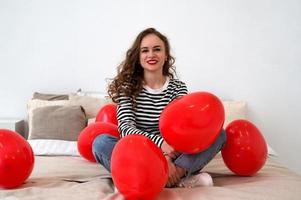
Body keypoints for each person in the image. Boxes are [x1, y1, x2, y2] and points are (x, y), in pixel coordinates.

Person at [92, 27, 226, 188]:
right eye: (145, 50)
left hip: (175, 154)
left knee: (219, 134)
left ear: (166, 55)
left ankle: (169, 174)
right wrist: (161, 145)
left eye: (157, 49)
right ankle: (171, 179)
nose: (151, 55)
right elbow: (126, 128)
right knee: (100, 143)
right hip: (141, 153)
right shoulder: (126, 88)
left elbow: (184, 129)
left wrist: (168, 159)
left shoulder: (178, 87)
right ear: (138, 56)